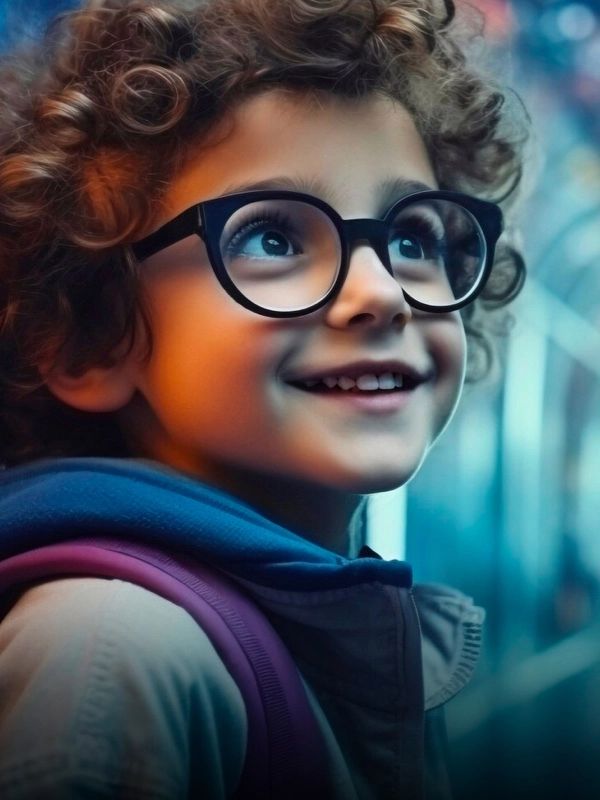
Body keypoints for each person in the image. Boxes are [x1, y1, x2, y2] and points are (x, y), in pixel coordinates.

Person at [0, 0, 527, 797]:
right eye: (272, 237)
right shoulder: (111, 648)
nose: (381, 293)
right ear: (88, 337)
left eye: (412, 238)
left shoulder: (338, 630)